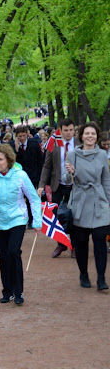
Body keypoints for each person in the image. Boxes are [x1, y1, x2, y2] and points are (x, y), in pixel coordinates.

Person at [0, 144, 41, 305]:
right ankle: (7, 291)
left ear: (9, 160)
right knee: (3, 257)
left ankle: (18, 291)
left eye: (0, 159)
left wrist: (37, 221)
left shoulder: (20, 175)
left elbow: (34, 198)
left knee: (14, 252)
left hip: (17, 220)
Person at [65, 122, 110, 291]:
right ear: (81, 136)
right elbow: (66, 179)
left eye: (93, 133)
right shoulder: (72, 154)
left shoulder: (102, 155)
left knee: (100, 242)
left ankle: (101, 278)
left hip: (99, 201)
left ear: (97, 136)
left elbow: (106, 179)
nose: (90, 136)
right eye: (87, 133)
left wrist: (108, 200)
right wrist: (71, 172)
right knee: (81, 243)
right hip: (80, 202)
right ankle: (83, 274)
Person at [37, 118, 77, 258]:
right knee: (58, 215)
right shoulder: (53, 142)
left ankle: (75, 245)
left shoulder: (80, 144)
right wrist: (41, 185)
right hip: (57, 184)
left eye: (71, 130)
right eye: (65, 130)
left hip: (75, 185)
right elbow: (47, 165)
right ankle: (61, 244)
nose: (68, 133)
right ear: (60, 130)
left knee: (74, 216)